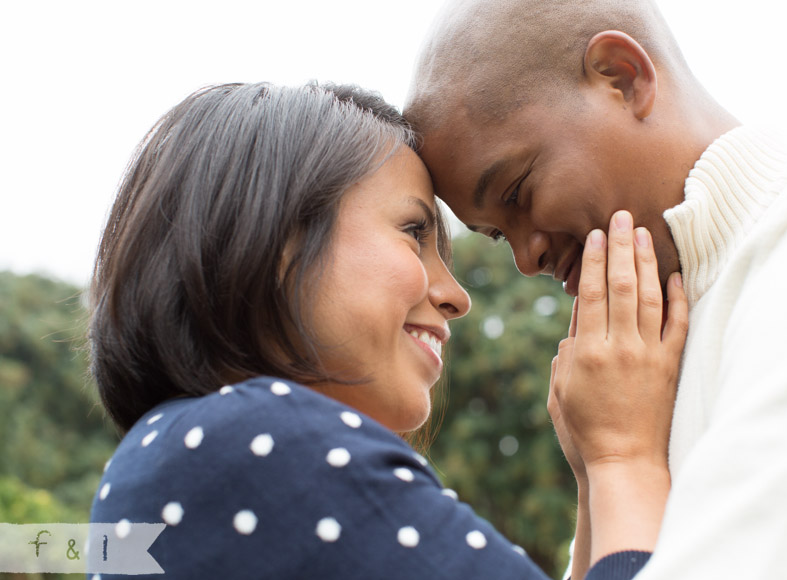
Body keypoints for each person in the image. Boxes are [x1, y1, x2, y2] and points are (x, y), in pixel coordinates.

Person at [87, 82, 687, 579]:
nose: (455, 296)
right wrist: (622, 455)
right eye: (414, 233)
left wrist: (593, 476)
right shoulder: (258, 445)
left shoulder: (185, 457)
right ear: (276, 243)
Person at [404, 0, 787, 579]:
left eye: (519, 191)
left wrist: (619, 462)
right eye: (498, 237)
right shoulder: (643, 362)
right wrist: (600, 476)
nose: (527, 260)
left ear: (623, 77)